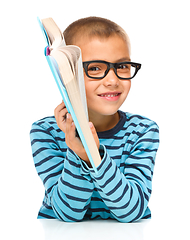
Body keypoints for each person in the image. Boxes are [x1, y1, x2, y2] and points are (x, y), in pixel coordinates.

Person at [30, 16, 159, 222]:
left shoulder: (143, 130)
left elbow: (131, 212)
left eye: (122, 66)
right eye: (95, 68)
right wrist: (77, 153)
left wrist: (93, 155)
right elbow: (67, 214)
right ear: (68, 73)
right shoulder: (45, 132)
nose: (113, 80)